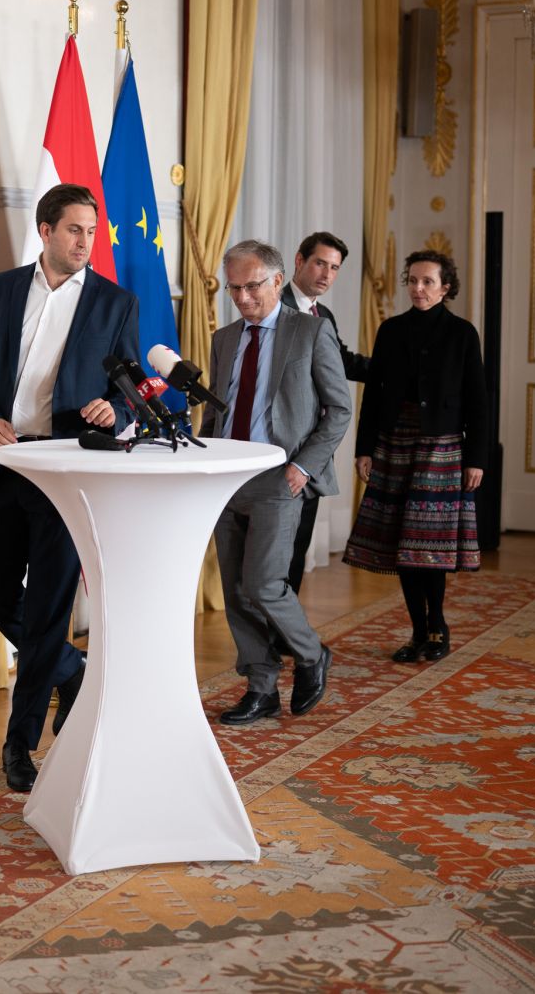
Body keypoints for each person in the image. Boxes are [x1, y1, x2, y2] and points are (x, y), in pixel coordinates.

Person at [0, 183, 139, 792]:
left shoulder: (115, 303)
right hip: (4, 465)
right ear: (45, 230)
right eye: (74, 230)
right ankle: (70, 666)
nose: (86, 241)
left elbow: (131, 383)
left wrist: (115, 408)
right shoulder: (2, 291)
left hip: (64, 474)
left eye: (92, 231)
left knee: (49, 611)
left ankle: (19, 746)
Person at [200, 240, 351, 725]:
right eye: (234, 289)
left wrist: (303, 466)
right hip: (224, 477)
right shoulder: (224, 339)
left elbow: (339, 409)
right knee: (235, 591)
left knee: (264, 584)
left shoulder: (310, 332)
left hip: (278, 476)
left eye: (252, 287)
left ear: (278, 281)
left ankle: (311, 654)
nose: (243, 298)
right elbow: (215, 412)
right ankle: (261, 688)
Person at [343, 249, 485, 663]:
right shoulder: (390, 330)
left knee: (429, 547)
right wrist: (365, 448)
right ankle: (417, 631)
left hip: (443, 449)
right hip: (394, 445)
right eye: (413, 280)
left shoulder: (463, 334)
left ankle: (438, 627)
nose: (418, 288)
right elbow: (375, 394)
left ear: (445, 287)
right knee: (402, 546)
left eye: (428, 282)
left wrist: (476, 458)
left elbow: (479, 400)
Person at [279, 231, 370, 600]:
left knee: (298, 547)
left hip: (313, 447)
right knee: (274, 553)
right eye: (320, 263)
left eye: (334, 268)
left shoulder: (324, 315)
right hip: (278, 446)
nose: (327, 275)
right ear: (299, 261)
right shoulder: (273, 306)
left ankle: (286, 628)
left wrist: (396, 369)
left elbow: (342, 363)